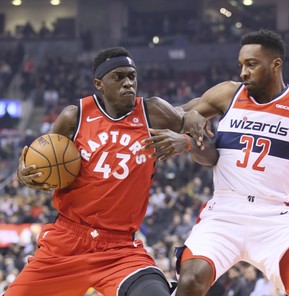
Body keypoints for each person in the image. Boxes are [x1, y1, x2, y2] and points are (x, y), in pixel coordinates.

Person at [144, 29, 289, 296]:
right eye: (241, 65)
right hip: (224, 213)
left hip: (273, 219)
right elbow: (169, 115)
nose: (243, 72)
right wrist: (187, 119)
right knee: (190, 281)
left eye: (251, 65)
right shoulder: (228, 94)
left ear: (276, 64)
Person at [10, 47, 218, 296]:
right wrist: (26, 175)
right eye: (118, 77)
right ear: (99, 83)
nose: (128, 83)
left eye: (132, 76)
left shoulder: (152, 113)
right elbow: (42, 164)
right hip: (65, 244)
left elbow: (208, 152)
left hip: (118, 249)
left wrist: (187, 136)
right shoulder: (73, 117)